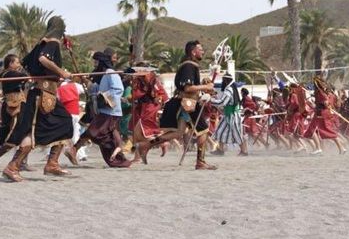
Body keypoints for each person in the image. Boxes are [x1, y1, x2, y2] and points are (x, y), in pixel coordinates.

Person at [1, 17, 77, 182]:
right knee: (64, 122)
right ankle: (45, 164)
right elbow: (43, 59)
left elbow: (25, 63)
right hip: (43, 95)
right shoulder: (52, 43)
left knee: (35, 131)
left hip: (40, 92)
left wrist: (48, 76)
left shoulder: (39, 44)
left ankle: (27, 165)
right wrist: (61, 73)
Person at [136, 40, 218, 170]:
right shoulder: (189, 66)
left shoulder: (188, 66)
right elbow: (187, 88)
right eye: (200, 49)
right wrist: (206, 86)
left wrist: (205, 87)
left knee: (178, 133)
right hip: (188, 102)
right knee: (203, 131)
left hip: (185, 102)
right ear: (193, 51)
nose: (202, 51)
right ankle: (200, 162)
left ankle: (145, 145)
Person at [82, 48, 132, 167]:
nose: (94, 64)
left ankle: (118, 157)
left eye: (96, 62)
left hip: (111, 111)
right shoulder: (102, 74)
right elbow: (96, 89)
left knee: (94, 133)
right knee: (103, 136)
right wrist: (87, 83)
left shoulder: (110, 72)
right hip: (102, 110)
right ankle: (118, 160)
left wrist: (105, 98)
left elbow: (118, 89)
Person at [212, 77, 249, 156]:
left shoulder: (229, 89)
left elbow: (222, 102)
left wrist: (211, 100)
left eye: (223, 80)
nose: (222, 82)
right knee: (220, 131)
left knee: (237, 133)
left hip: (232, 115)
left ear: (226, 81)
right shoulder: (231, 88)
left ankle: (244, 151)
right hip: (228, 114)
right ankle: (220, 150)